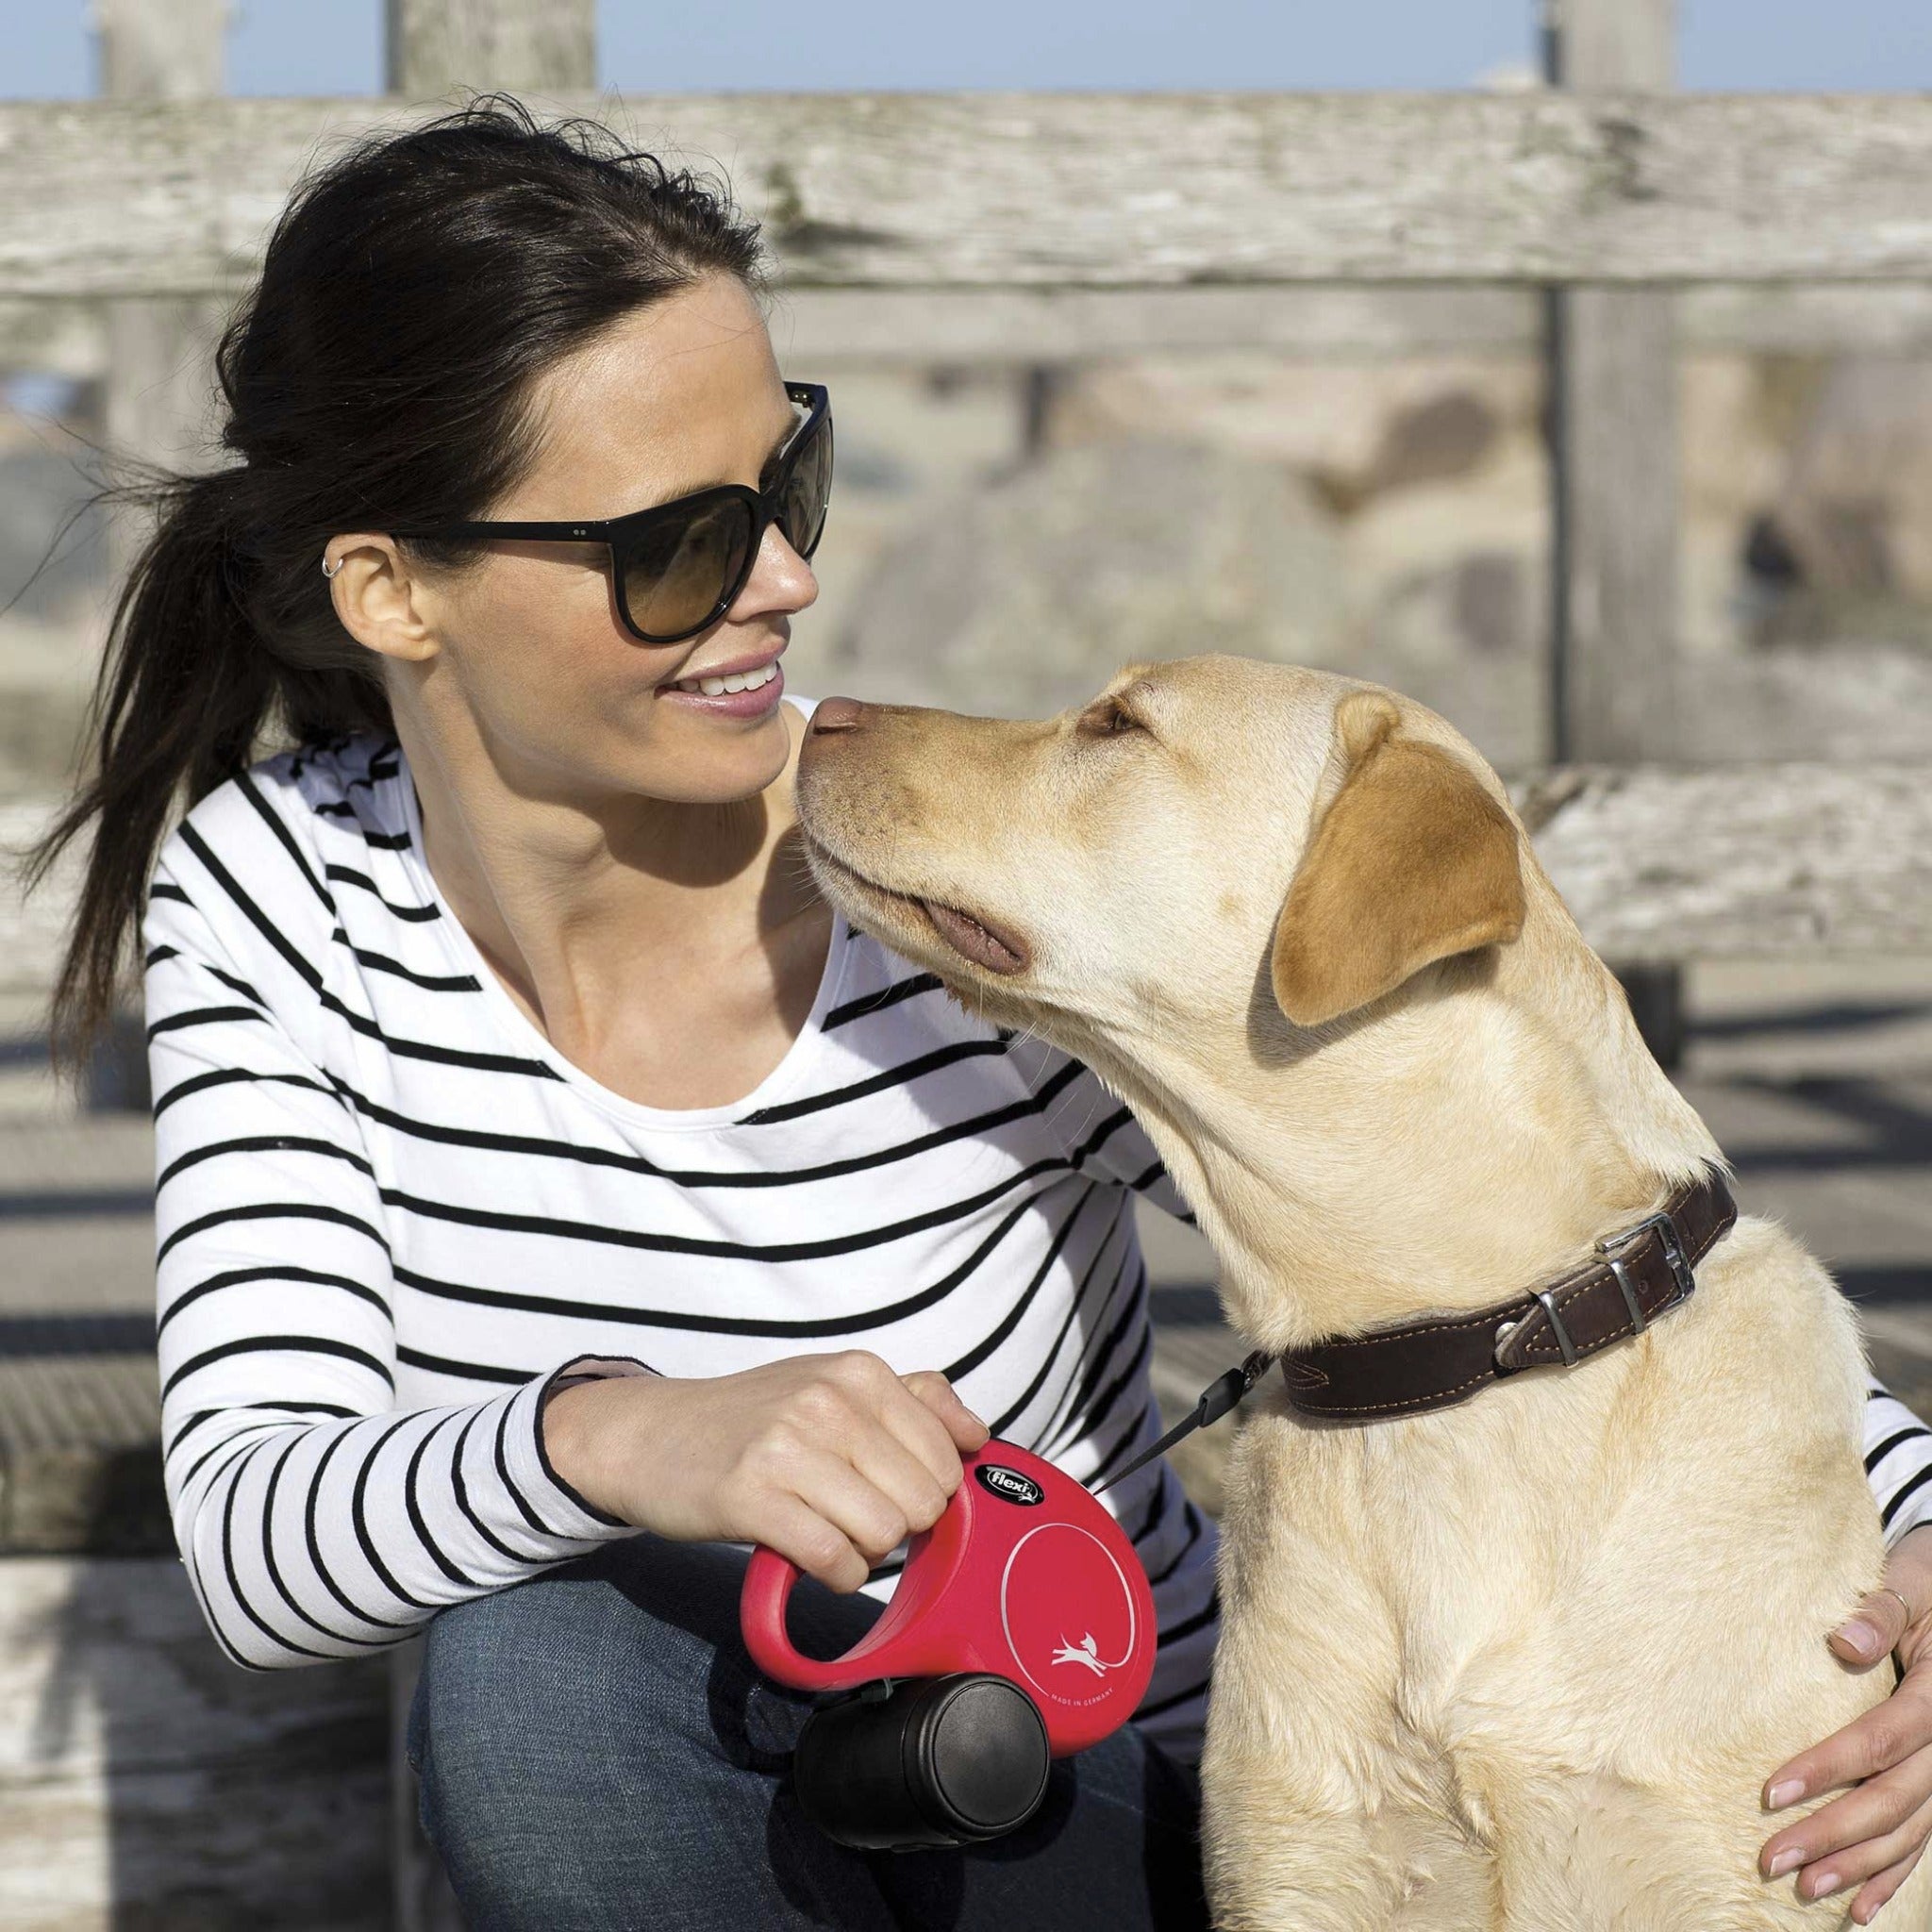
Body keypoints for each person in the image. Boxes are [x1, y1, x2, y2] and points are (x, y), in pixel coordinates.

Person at [25, 96, 1932, 1931]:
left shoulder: (949, 890)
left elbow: (1485, 1213)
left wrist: (1915, 1531)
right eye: (674, 543)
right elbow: (259, 1536)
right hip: (681, 1816)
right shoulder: (284, 900)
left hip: (1109, 1818)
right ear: (394, 590)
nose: (786, 579)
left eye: (791, 477)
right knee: (538, 1679)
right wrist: (624, 1439)